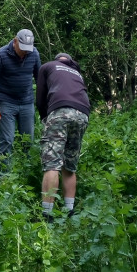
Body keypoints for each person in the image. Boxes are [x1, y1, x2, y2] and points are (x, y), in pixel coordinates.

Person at [36, 53, 90, 222]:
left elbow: (40, 98)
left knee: (52, 164)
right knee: (70, 165)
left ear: (57, 59)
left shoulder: (47, 67)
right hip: (83, 115)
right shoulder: (77, 73)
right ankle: (69, 211)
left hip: (60, 111)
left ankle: (47, 214)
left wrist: (45, 118)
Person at [0, 29, 41, 165]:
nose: (25, 52)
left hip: (27, 102)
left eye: (28, 49)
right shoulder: (1, 54)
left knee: (27, 141)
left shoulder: (34, 54)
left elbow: (40, 78)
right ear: (15, 41)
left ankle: (26, 174)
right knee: (7, 140)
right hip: (7, 102)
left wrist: (45, 100)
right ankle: (4, 180)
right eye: (22, 49)